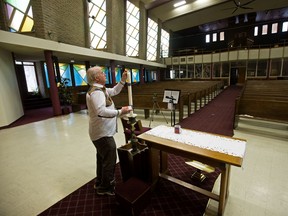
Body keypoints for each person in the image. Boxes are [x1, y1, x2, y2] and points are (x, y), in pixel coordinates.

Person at [86, 66, 131, 196]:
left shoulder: (101, 89)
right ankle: (106, 187)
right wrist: (120, 112)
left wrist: (122, 80)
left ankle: (100, 182)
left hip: (101, 132)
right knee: (109, 159)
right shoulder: (97, 92)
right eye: (102, 73)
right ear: (96, 78)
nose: (105, 74)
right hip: (102, 133)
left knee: (102, 158)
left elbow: (115, 91)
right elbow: (100, 111)